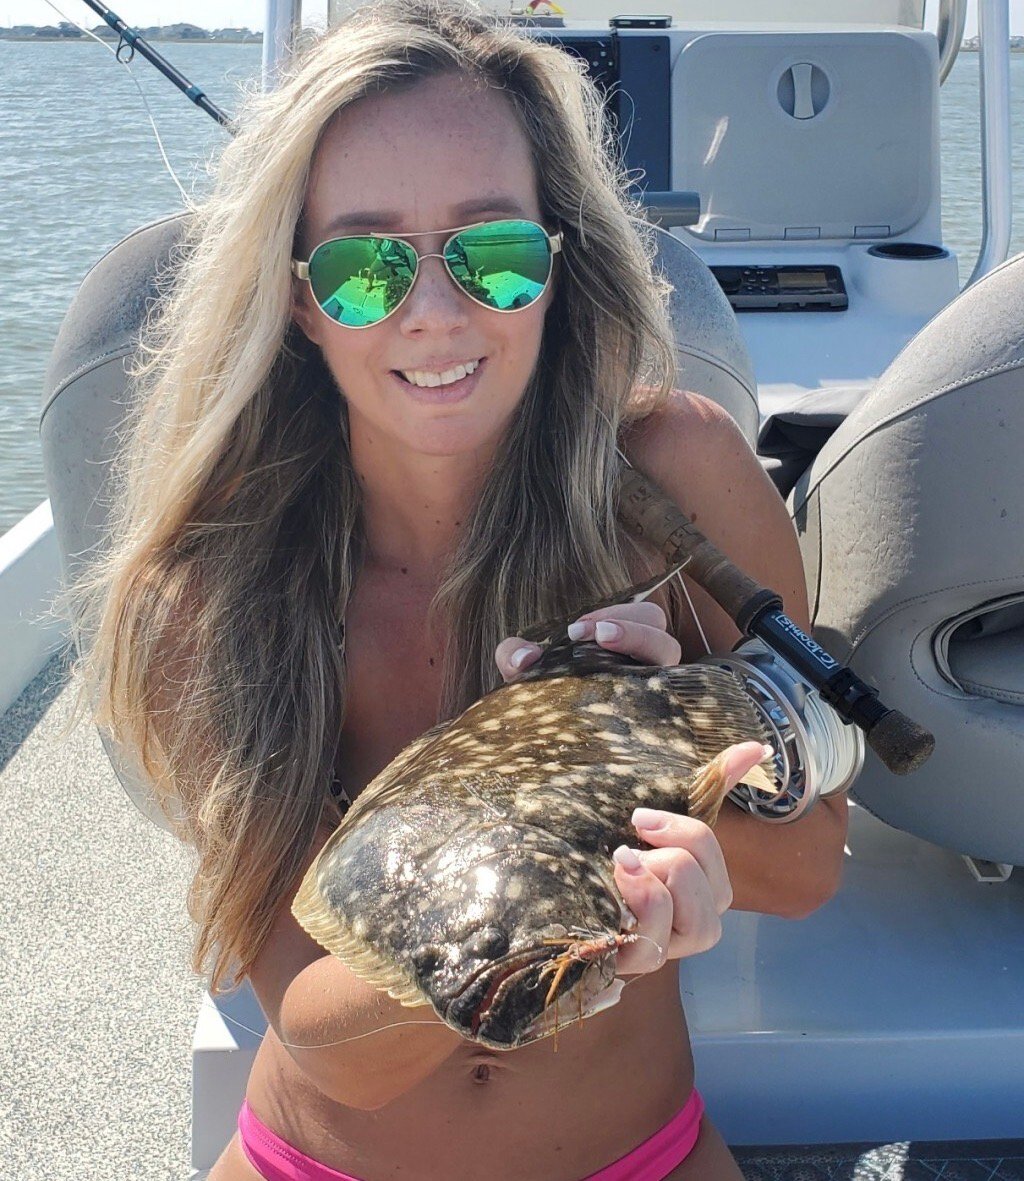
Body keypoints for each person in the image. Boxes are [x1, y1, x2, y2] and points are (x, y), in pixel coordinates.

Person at [69, 1, 848, 1177]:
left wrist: (655, 727)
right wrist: (567, 809)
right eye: (365, 267)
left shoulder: (683, 481)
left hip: (636, 1151)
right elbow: (332, 1044)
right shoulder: (208, 597)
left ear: (557, 260)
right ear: (298, 301)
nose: (434, 310)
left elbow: (810, 864)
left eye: (491, 251)